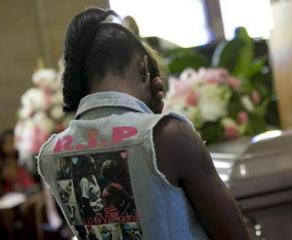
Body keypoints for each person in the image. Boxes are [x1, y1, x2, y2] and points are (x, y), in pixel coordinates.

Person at [38, 7, 250, 239]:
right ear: (142, 67)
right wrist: (156, 123)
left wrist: (150, 118)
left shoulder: (51, 153)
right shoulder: (169, 136)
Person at [0, 129, 43, 240]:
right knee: (8, 213)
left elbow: (29, 183)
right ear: (1, 145)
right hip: (9, 197)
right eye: (7, 143)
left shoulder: (20, 162)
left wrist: (18, 183)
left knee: (30, 207)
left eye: (13, 142)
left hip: (24, 194)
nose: (10, 146)